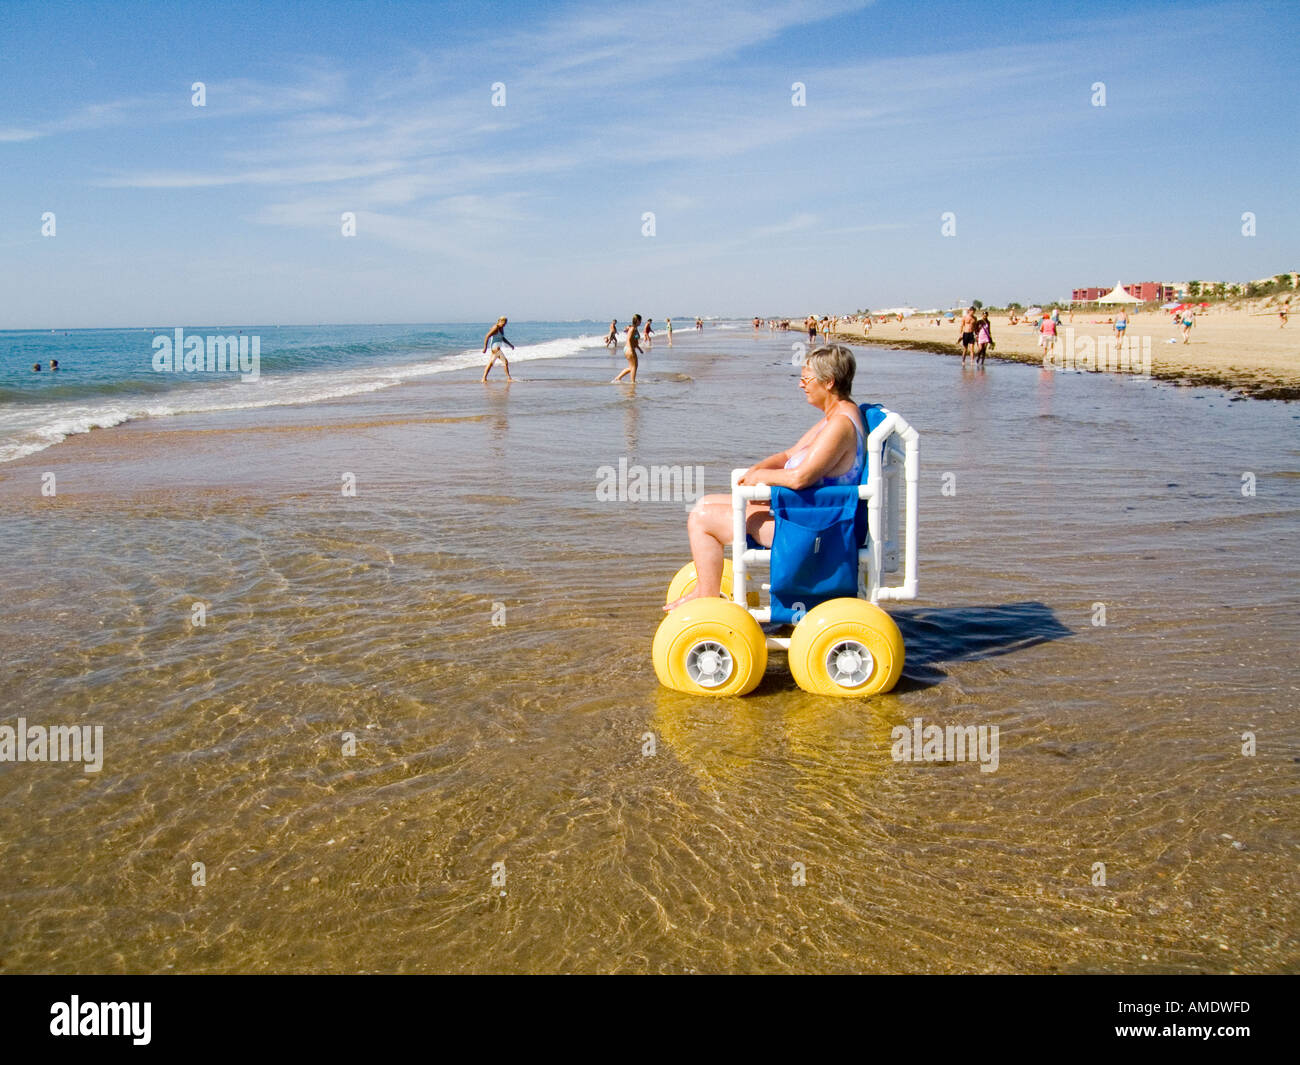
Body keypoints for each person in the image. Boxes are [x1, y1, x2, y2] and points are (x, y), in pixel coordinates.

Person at [665, 344, 866, 612]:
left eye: (806, 379)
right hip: (806, 513)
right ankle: (706, 588)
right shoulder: (834, 417)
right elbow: (788, 454)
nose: (801, 385)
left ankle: (706, 595)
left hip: (815, 528)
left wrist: (761, 478)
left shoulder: (840, 425)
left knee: (702, 519)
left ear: (828, 382)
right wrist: (755, 471)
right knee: (704, 503)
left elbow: (799, 478)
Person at [614, 314, 642, 383]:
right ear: (637, 320)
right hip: (629, 349)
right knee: (634, 367)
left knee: (631, 367)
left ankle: (618, 378)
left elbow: (635, 341)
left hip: (628, 349)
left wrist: (639, 349)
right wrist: (631, 349)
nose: (641, 322)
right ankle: (632, 382)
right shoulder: (632, 328)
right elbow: (629, 339)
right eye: (640, 320)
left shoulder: (634, 328)